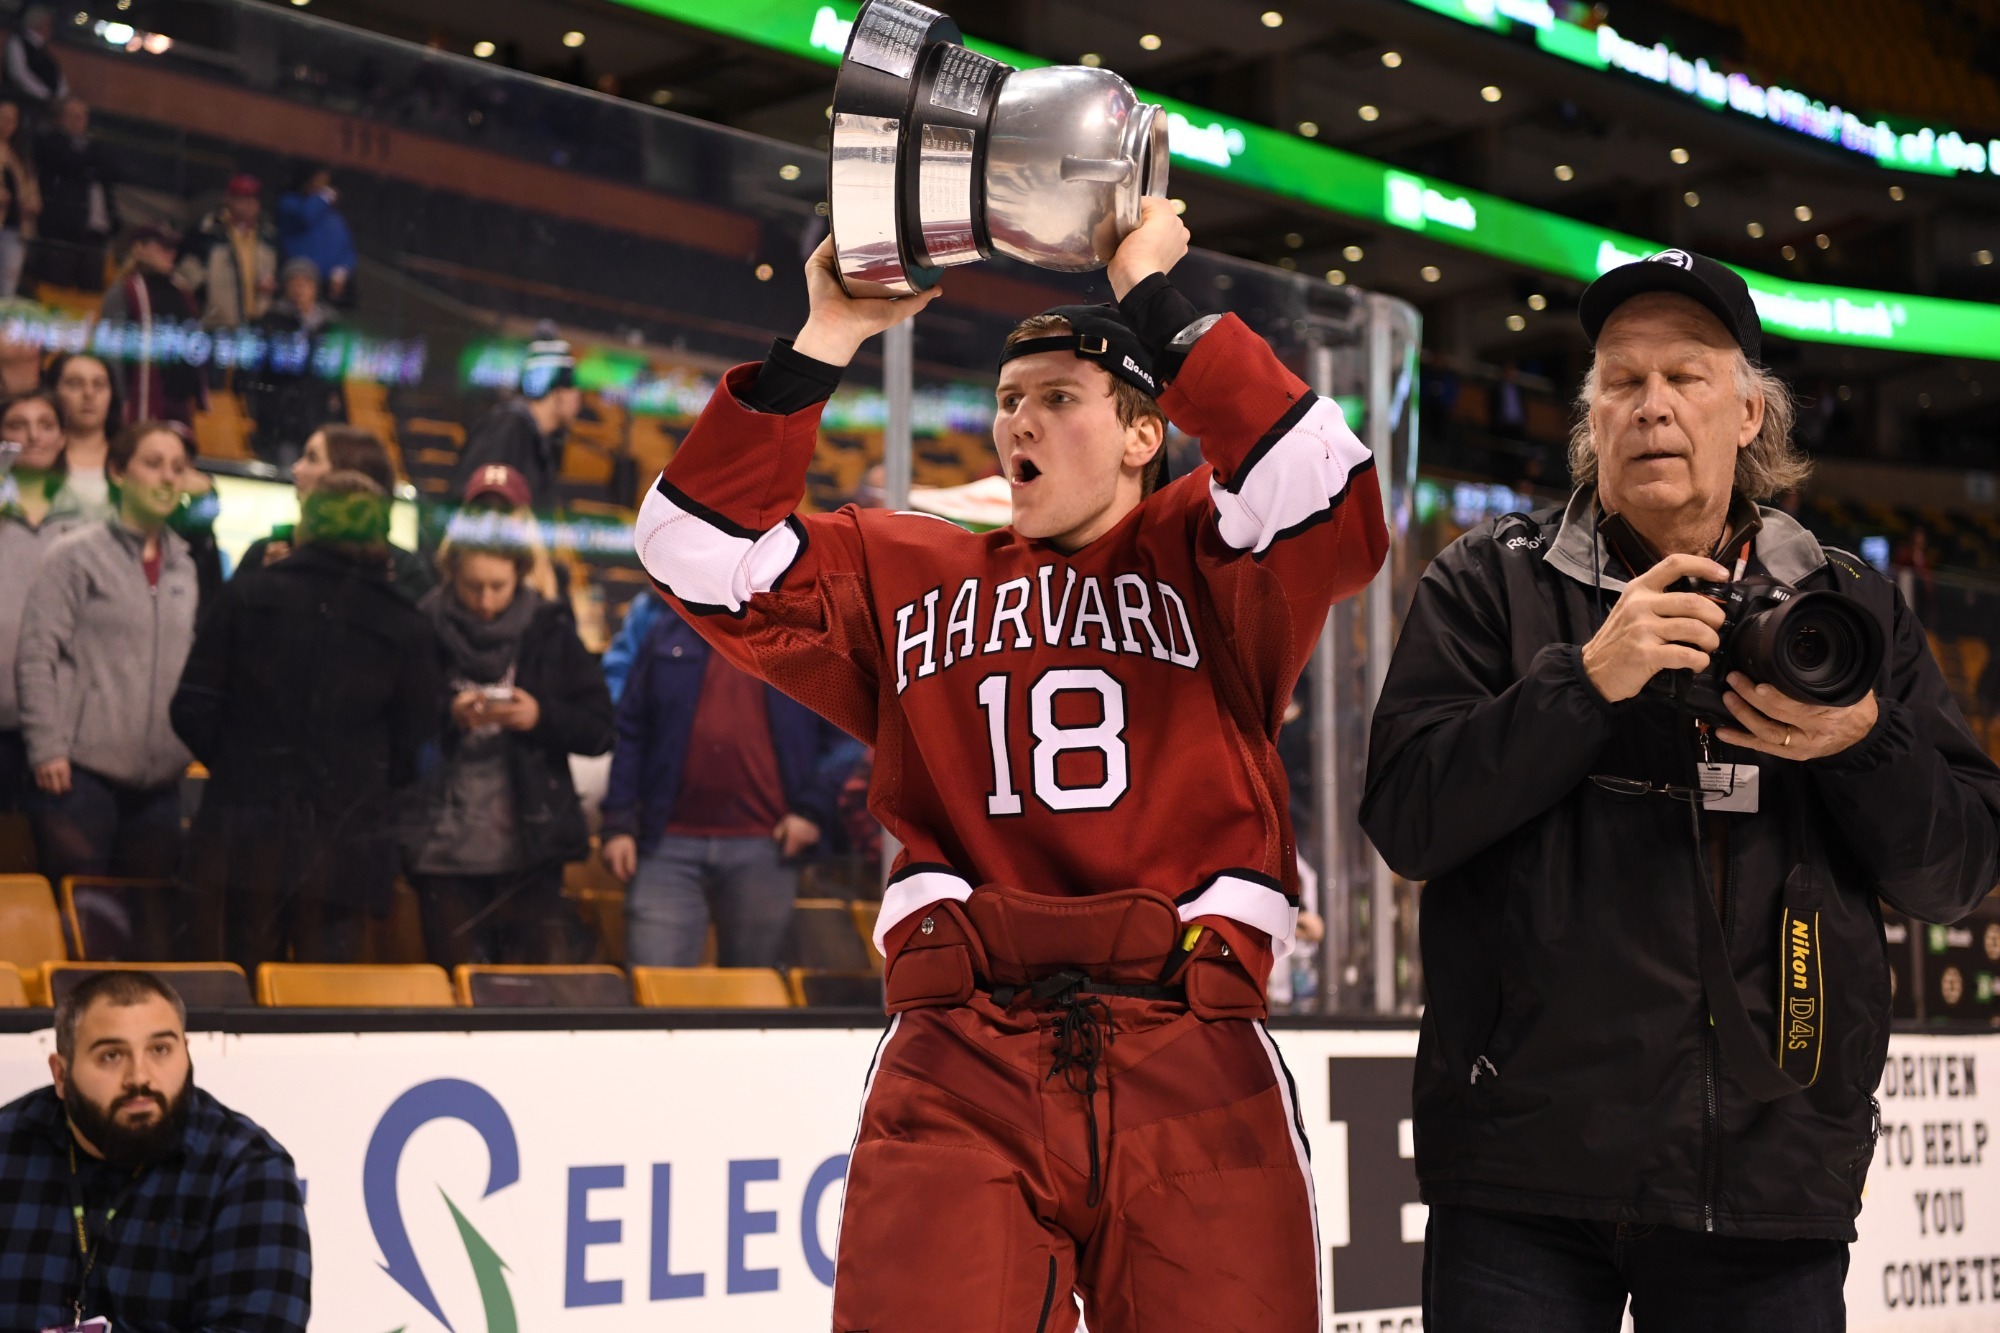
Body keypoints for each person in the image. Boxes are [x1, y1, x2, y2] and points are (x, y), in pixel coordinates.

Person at [633, 204, 1386, 1329]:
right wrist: (823, 337)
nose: (1014, 422)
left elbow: (1327, 486)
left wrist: (1152, 298)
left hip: (1190, 1047)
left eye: (1057, 399)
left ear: (1143, 432)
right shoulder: (909, 564)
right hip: (960, 1054)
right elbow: (690, 547)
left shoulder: (1209, 550)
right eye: (1005, 400)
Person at [1359, 250, 2000, 1333]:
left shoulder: (1843, 613)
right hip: (1521, 1180)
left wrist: (1856, 742)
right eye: (1619, 381)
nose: (1649, 405)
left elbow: (1955, 873)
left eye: (1685, 376)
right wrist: (1584, 680)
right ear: (1589, 419)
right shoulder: (1488, 583)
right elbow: (1407, 818)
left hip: (1768, 1179)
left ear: (1749, 410)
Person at [174, 470, 442, 971]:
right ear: (379, 533)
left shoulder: (247, 596)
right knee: (324, 1007)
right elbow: (420, 747)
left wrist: (239, 767)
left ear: (305, 524)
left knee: (245, 1007)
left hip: (245, 838)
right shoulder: (405, 625)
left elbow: (190, 709)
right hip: (346, 847)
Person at [0, 970, 311, 1331]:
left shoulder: (246, 1168)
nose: (140, 1077)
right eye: (111, 1055)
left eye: (160, 1050)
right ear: (61, 1075)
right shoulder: (8, 1147)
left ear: (187, 1055)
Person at [600, 596, 849, 967]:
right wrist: (618, 822)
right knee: (655, 995)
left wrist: (811, 810)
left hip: (768, 843)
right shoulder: (667, 628)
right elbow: (632, 730)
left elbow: (846, 733)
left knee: (757, 1000)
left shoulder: (802, 636)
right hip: (665, 842)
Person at [406, 534, 613, 967]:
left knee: (527, 995)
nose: (485, 600)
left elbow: (600, 729)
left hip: (530, 847)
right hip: (441, 847)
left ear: (519, 576)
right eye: (472, 586)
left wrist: (540, 717)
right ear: (451, 577)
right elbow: (395, 723)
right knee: (454, 993)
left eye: (497, 586)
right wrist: (449, 714)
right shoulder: (422, 624)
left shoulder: (549, 627)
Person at [16, 420, 198, 886]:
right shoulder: (74, 554)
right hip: (79, 777)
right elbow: (37, 653)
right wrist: (47, 748)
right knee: (87, 925)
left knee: (148, 934)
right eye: (153, 464)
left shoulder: (186, 565)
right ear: (118, 471)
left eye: (177, 468)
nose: (167, 478)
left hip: (160, 786)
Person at [237, 423, 436, 604]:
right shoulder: (265, 552)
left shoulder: (406, 571)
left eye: (312, 458)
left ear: (350, 475)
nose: (296, 469)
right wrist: (264, 584)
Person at [0, 388, 81, 813]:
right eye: (17, 425)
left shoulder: (91, 523)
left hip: (60, 737)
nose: (33, 436)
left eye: (46, 425)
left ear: (63, 437)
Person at [450, 327, 579, 514]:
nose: (579, 399)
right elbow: (477, 501)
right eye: (574, 389)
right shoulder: (508, 426)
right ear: (557, 393)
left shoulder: (541, 440)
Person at [98, 223, 205, 427]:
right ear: (139, 248)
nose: (171, 253)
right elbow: (112, 353)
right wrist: (120, 399)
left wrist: (194, 391)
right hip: (138, 399)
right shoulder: (123, 292)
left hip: (177, 401)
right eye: (162, 247)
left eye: (173, 248)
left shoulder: (181, 293)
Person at [244, 256, 344, 465]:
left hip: (317, 415)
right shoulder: (273, 321)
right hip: (281, 418)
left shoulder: (329, 325)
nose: (300, 289)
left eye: (306, 283)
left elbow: (334, 372)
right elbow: (263, 367)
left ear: (315, 288)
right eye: (295, 283)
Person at [33, 96, 117, 292]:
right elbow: (68, 164)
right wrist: (87, 165)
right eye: (73, 116)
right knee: (57, 282)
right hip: (63, 226)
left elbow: (112, 170)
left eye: (82, 116)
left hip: (95, 228)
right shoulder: (50, 141)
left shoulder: (95, 146)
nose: (79, 121)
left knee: (91, 285)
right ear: (62, 118)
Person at [177, 173, 276, 329]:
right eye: (242, 197)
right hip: (215, 325)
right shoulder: (207, 234)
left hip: (255, 326)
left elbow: (276, 278)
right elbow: (184, 280)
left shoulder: (268, 238)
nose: (249, 203)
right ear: (229, 200)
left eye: (254, 198)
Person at [47, 349, 118, 521]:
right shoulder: (36, 457)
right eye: (75, 384)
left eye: (99, 384)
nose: (89, 394)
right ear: (53, 391)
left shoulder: (132, 457)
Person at [275, 163, 356, 305]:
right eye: (318, 181)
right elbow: (306, 216)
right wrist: (323, 197)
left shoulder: (333, 217)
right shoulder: (289, 204)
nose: (322, 187)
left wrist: (340, 272)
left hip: (325, 292)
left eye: (326, 183)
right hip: (295, 287)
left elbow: (346, 248)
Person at [0, 99, 41, 298]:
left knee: (8, 287)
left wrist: (32, 201)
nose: (7, 123)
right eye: (3, 118)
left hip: (15, 228)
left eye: (12, 119)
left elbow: (31, 191)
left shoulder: (21, 157)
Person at [1, 5, 64, 122]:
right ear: (41, 24)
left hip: (46, 108)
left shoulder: (45, 52)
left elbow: (58, 76)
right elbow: (18, 74)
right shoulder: (17, 43)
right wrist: (45, 95)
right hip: (22, 104)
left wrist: (60, 96)